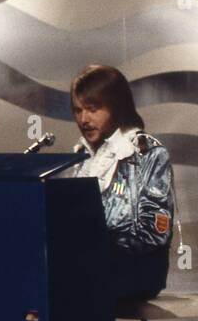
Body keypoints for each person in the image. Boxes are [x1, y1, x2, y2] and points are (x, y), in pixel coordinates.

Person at [68, 64, 175, 301]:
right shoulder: (83, 155)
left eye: (93, 109)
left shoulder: (147, 152)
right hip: (90, 263)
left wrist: (92, 238)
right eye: (77, 110)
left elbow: (154, 233)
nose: (84, 119)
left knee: (63, 284)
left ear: (116, 107)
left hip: (136, 269)